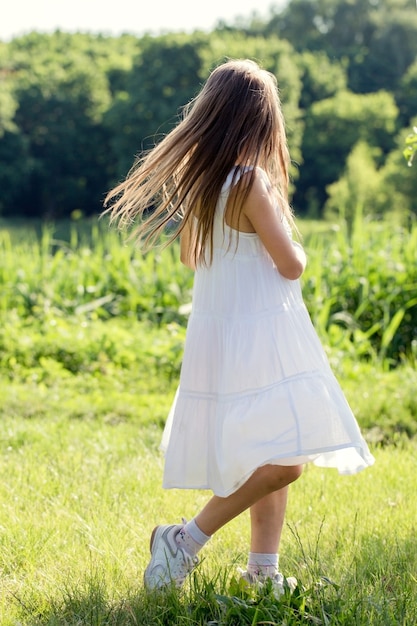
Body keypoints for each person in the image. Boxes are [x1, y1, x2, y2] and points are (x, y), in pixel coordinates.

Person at [103, 58, 375, 593]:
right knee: (288, 460)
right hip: (262, 334)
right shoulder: (250, 181)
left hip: (227, 335)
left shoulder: (204, 184)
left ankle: (262, 570)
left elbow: (191, 258)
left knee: (274, 451)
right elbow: (290, 265)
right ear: (260, 121)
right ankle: (184, 541)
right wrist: (294, 242)